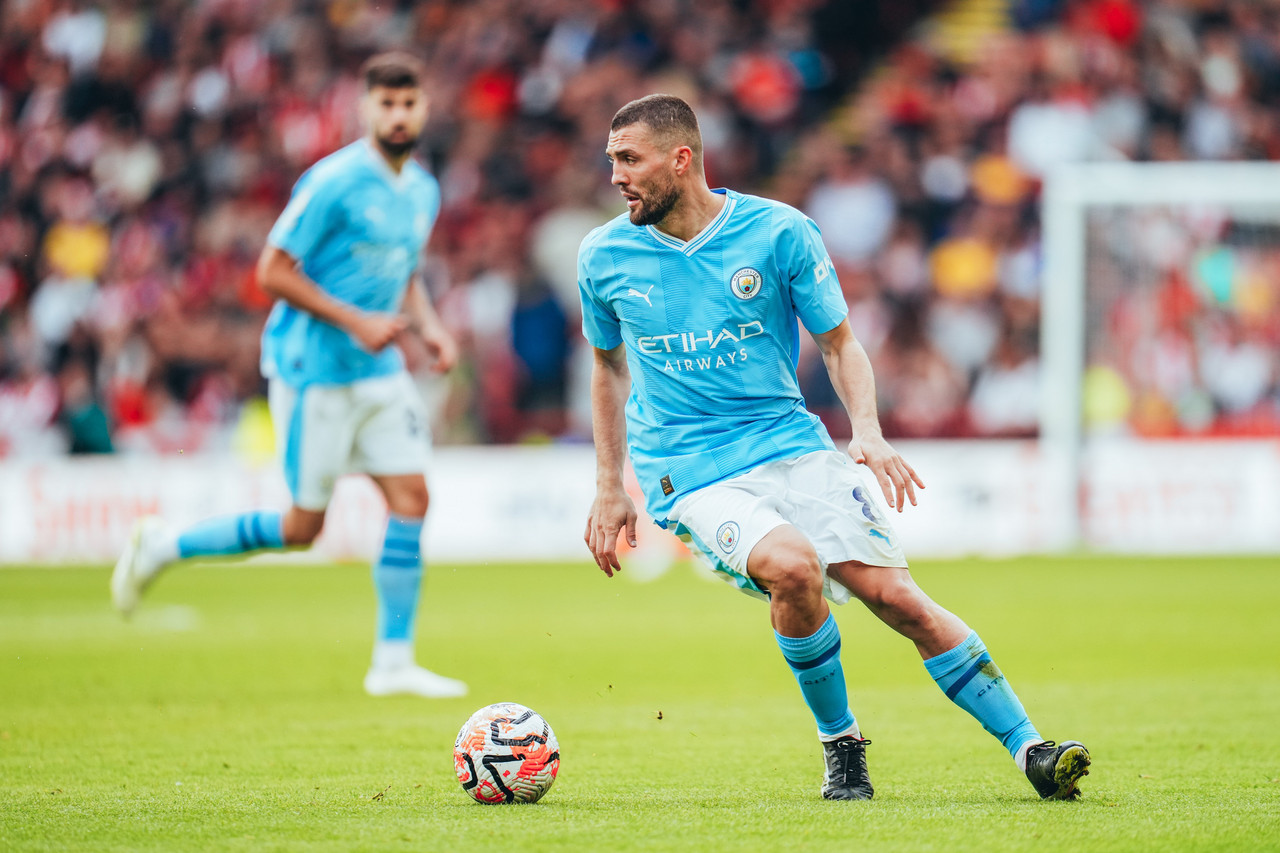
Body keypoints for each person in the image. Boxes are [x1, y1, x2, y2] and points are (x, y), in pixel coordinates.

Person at [578, 94, 1089, 800]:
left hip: (792, 444)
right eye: (612, 162)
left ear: (681, 158)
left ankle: (1030, 747)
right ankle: (842, 744)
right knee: (791, 567)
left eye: (628, 160)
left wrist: (868, 431)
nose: (616, 177)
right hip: (691, 470)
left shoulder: (779, 232)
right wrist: (610, 485)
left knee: (898, 597)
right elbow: (607, 367)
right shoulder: (603, 255)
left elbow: (840, 344)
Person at [111, 52, 467, 700]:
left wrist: (430, 325)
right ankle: (165, 543)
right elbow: (272, 270)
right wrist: (356, 319)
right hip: (314, 370)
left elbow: (404, 269)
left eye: (408, 103)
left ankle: (393, 659)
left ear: (424, 108)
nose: (398, 115)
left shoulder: (422, 187)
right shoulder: (332, 181)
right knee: (304, 528)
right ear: (364, 108)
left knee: (413, 497)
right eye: (385, 104)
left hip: (378, 369)